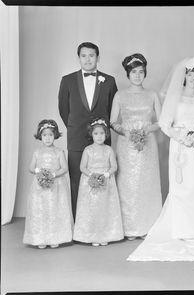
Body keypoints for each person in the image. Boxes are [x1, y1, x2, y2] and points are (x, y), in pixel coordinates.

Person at [127, 57, 194, 261]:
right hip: (180, 149)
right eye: (189, 75)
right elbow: (165, 124)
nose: (193, 78)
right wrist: (181, 137)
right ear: (184, 77)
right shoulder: (174, 99)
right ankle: (182, 226)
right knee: (182, 186)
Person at [58, 42, 118, 219]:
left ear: (98, 58)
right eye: (83, 55)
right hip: (76, 137)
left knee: (104, 179)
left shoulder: (109, 81)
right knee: (77, 180)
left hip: (102, 139)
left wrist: (102, 131)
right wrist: (74, 126)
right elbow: (63, 110)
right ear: (79, 58)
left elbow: (113, 110)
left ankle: (103, 222)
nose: (88, 59)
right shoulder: (67, 80)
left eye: (91, 55)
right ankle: (79, 224)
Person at [110, 53, 162, 240]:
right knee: (128, 185)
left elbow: (162, 121)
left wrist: (147, 130)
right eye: (134, 72)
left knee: (147, 184)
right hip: (126, 145)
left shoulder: (152, 94)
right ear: (128, 74)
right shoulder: (120, 95)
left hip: (148, 144)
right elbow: (113, 122)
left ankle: (149, 226)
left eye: (141, 72)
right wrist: (127, 132)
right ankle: (130, 228)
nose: (137, 75)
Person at [73, 117, 124, 246]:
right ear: (92, 134)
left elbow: (114, 166)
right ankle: (92, 235)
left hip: (106, 181)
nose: (99, 136)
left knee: (104, 208)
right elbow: (82, 167)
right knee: (92, 209)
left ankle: (105, 234)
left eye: (102, 133)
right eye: (96, 133)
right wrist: (92, 175)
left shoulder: (108, 150)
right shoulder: (88, 150)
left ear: (106, 134)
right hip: (90, 181)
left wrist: (106, 174)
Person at [23, 120, 73, 249]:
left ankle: (55, 237)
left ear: (55, 135)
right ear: (40, 136)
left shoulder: (59, 152)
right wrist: (40, 172)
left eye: (50, 135)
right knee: (41, 210)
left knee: (54, 209)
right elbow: (31, 168)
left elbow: (64, 168)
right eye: (45, 135)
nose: (47, 138)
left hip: (56, 185)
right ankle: (41, 238)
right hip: (40, 185)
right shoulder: (37, 152)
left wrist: (53, 175)